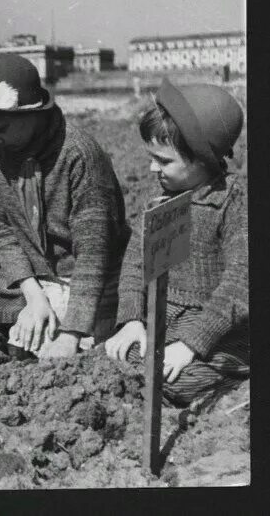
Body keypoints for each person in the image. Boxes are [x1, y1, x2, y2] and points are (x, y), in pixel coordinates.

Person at [0, 53, 130, 360]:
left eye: (0, 130)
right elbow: (2, 228)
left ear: (33, 115)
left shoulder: (78, 156)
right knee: (18, 350)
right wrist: (34, 296)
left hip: (96, 277)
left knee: (71, 357)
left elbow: (94, 255)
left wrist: (71, 334)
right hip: (43, 278)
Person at [105, 78, 247, 406]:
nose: (153, 168)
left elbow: (239, 288)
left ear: (203, 159)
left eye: (165, 161)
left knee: (175, 380)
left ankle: (232, 388)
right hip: (165, 322)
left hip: (221, 332)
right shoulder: (161, 201)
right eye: (152, 157)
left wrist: (192, 344)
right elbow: (135, 267)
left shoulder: (232, 204)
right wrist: (130, 321)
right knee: (115, 358)